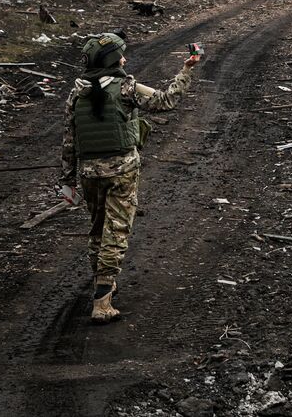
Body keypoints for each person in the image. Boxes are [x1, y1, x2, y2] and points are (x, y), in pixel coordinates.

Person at [60, 32, 201, 323]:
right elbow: (165, 101)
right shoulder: (126, 88)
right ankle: (102, 302)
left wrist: (67, 180)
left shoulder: (76, 93)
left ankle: (104, 283)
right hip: (122, 171)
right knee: (117, 232)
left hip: (89, 173)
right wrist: (186, 69)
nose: (125, 59)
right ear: (112, 59)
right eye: (121, 55)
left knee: (98, 230)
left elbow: (69, 141)